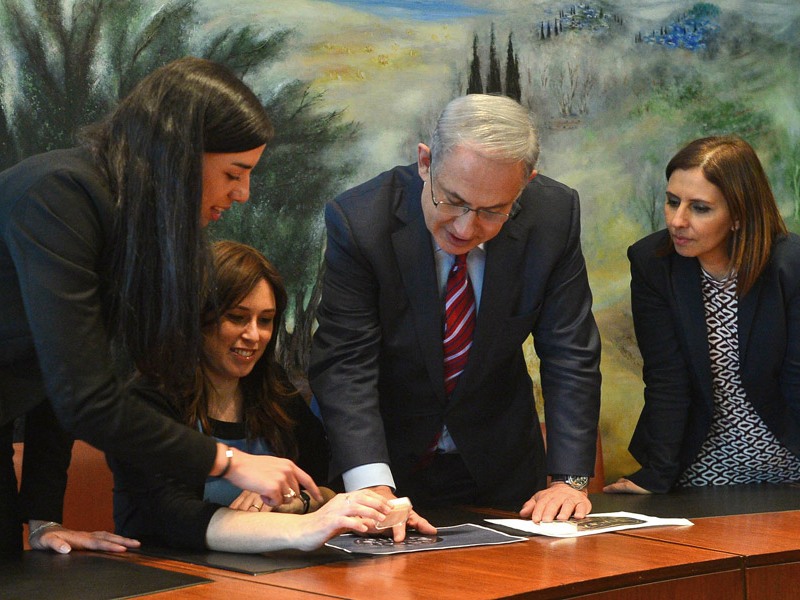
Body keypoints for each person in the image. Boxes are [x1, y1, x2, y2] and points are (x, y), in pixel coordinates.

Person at [0, 57, 321, 556]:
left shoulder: (130, 227)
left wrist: (43, 519)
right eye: (234, 173)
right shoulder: (60, 195)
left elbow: (57, 378)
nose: (243, 194)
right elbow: (84, 398)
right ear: (181, 155)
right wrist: (230, 461)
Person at [309, 93, 602, 537]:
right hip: (383, 459)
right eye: (453, 201)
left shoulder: (553, 215)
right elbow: (345, 363)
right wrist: (372, 487)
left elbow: (570, 351)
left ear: (525, 185)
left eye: (492, 212)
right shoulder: (361, 221)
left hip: (500, 472)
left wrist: (567, 481)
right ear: (425, 163)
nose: (466, 228)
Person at [110, 241, 394, 552]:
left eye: (266, 320)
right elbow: (171, 516)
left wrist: (295, 503)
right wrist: (304, 527)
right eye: (237, 317)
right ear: (196, 318)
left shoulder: (275, 389)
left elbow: (325, 488)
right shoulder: (146, 400)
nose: (254, 335)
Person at [605, 135, 800, 495]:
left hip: (789, 465)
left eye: (700, 208)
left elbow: (796, 379)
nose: (677, 220)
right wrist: (657, 476)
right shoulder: (653, 263)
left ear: (739, 216)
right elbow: (667, 379)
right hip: (695, 466)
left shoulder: (790, 265)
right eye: (672, 202)